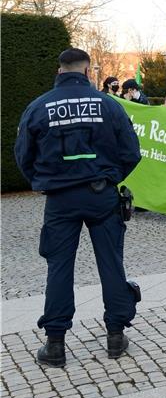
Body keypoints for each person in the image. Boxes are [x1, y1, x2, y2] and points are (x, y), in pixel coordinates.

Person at [14, 48, 142, 367]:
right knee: (111, 263)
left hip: (60, 200)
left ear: (60, 72)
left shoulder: (38, 107)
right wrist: (110, 178)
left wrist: (44, 181)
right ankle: (115, 335)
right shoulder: (109, 105)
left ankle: (55, 343)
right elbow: (131, 151)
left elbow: (23, 155)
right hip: (101, 195)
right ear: (88, 73)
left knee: (59, 267)